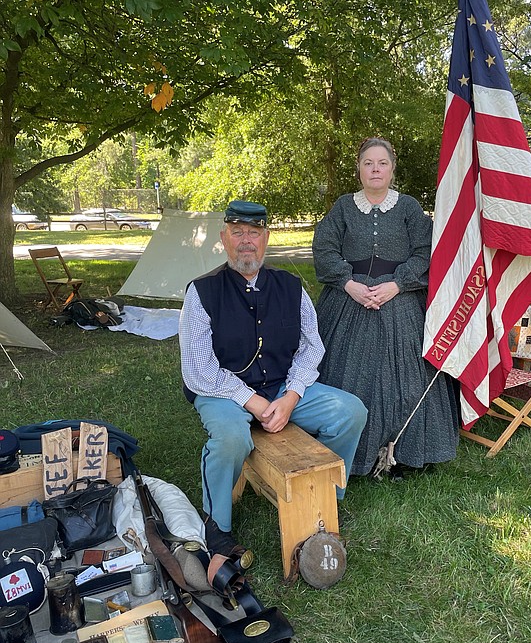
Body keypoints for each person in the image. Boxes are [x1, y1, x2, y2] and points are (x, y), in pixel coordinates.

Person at [179, 200, 367, 556]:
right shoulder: (201, 292)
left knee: (350, 411)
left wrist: (291, 396)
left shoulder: (290, 286)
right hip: (219, 390)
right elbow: (198, 370)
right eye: (238, 233)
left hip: (280, 387)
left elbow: (312, 348)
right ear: (224, 238)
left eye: (254, 233)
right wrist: (252, 401)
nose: (246, 241)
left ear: (266, 238)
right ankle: (216, 524)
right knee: (233, 437)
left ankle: (328, 496)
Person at [312, 137, 460, 477]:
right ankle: (352, 452)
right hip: (348, 301)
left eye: (381, 163)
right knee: (347, 374)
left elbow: (426, 250)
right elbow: (325, 249)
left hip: (401, 299)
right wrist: (349, 284)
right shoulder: (344, 207)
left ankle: (405, 453)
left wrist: (397, 284)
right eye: (368, 163)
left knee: (405, 378)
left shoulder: (408, 207)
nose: (375, 169)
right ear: (359, 170)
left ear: (392, 168)